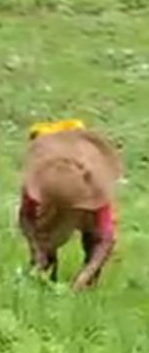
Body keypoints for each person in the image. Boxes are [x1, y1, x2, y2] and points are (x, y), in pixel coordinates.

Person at [19, 120, 123, 291]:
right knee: (44, 239)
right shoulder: (40, 186)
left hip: (87, 216)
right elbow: (25, 218)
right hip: (50, 213)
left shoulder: (94, 192)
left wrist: (86, 274)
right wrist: (36, 249)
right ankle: (45, 271)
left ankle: (88, 287)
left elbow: (106, 240)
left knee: (93, 243)